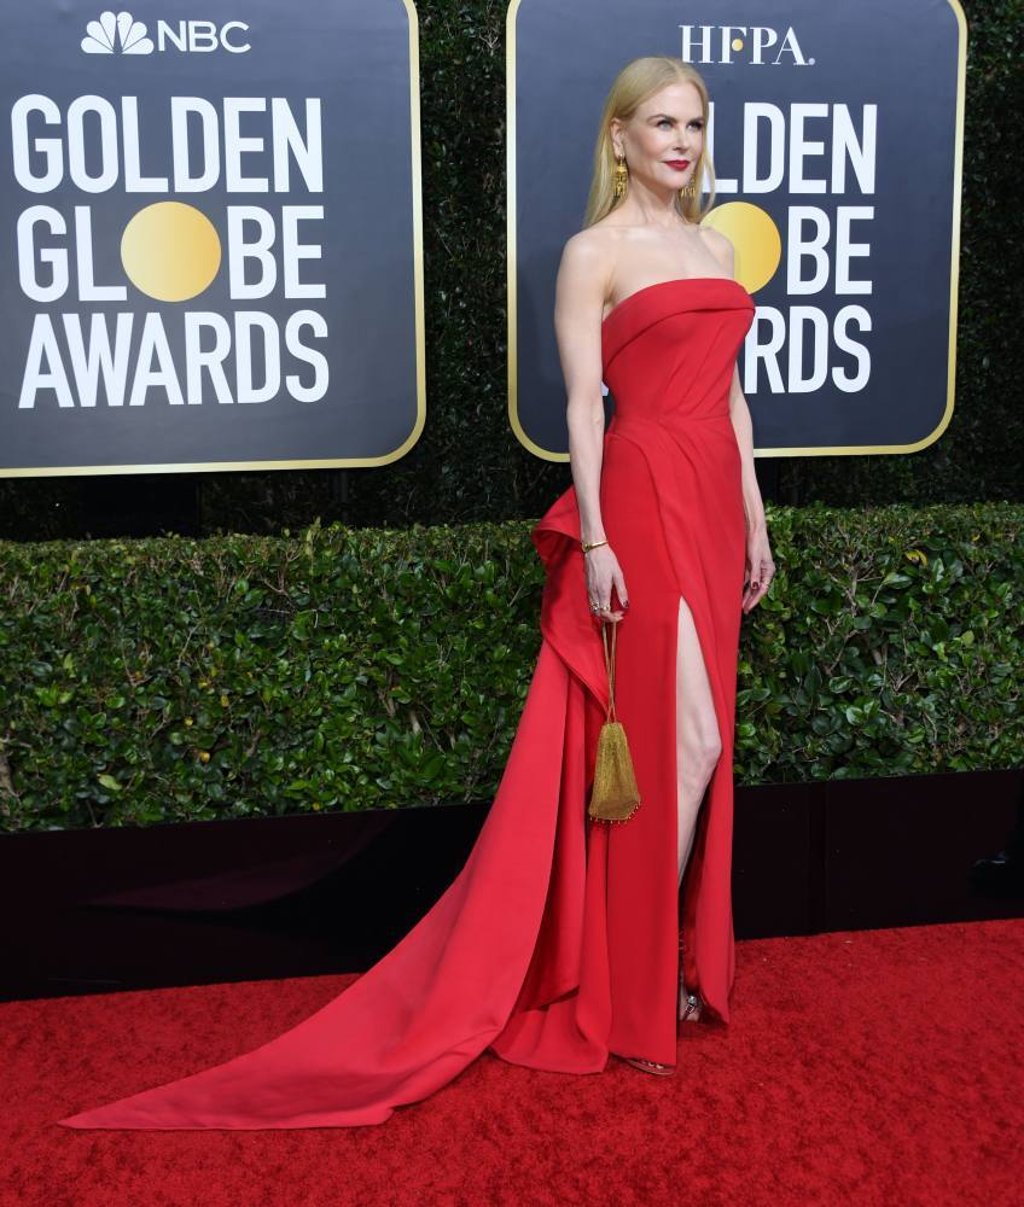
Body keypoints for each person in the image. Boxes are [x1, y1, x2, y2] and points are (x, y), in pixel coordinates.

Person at [59, 55, 774, 1131]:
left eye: (695, 125)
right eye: (662, 123)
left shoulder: (717, 245)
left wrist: (758, 520)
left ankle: (644, 966)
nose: (682, 142)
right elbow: (584, 408)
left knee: (697, 744)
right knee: (681, 745)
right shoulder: (593, 253)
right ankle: (628, 989)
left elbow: (730, 399)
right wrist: (596, 541)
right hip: (641, 496)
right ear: (618, 136)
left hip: (716, 503)